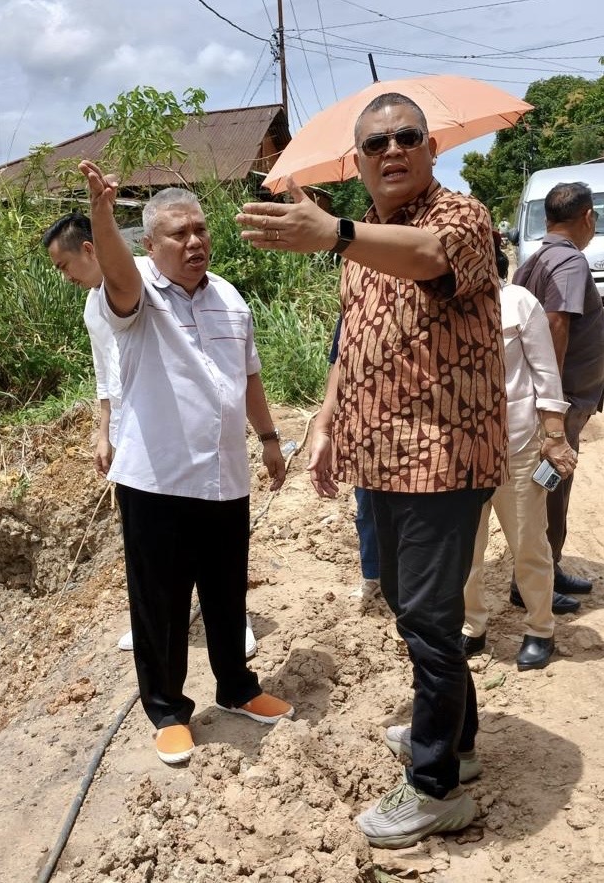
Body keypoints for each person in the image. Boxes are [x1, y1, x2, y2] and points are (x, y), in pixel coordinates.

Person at [236, 92, 508, 848]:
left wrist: (336, 231)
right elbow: (352, 340)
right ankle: (458, 743)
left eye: (406, 136)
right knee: (406, 603)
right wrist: (325, 421)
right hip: (380, 458)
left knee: (426, 616)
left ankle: (434, 787)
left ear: (430, 148)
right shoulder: (361, 253)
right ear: (357, 161)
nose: (391, 149)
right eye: (376, 142)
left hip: (443, 459)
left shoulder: (459, 219)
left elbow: (427, 260)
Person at [78, 160, 293, 766]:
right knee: (161, 602)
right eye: (179, 233)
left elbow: (248, 375)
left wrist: (270, 438)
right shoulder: (136, 292)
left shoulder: (229, 297)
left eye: (200, 229)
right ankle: (168, 710)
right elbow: (117, 273)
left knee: (227, 591)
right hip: (158, 480)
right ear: (151, 244)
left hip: (224, 474)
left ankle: (237, 687)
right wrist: (102, 214)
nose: (194, 241)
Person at [43, 213, 258, 659]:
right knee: (157, 568)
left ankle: (233, 637)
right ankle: (160, 655)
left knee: (219, 561)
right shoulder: (95, 304)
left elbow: (239, 369)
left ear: (91, 249)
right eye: (180, 235)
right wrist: (106, 432)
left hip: (195, 441)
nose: (65, 278)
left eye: (65, 266)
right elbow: (107, 375)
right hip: (141, 441)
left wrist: (268, 436)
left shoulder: (153, 280)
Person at [462, 234, 577, 670]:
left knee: (529, 545)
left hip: (518, 446)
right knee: (464, 551)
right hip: (463, 453)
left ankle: (540, 628)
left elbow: (546, 377)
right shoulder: (446, 307)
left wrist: (554, 435)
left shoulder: (518, 302)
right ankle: (472, 626)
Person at [512, 182, 604, 596]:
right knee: (550, 482)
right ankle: (536, 581)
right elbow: (556, 324)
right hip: (558, 406)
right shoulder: (569, 262)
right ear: (587, 217)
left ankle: (545, 569)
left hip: (551, 401)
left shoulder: (535, 260)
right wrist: (555, 406)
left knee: (546, 484)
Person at [325, 316, 380, 601]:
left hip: (418, 431)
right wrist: (329, 425)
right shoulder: (357, 307)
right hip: (367, 429)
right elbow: (339, 365)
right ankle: (373, 574)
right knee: (368, 508)